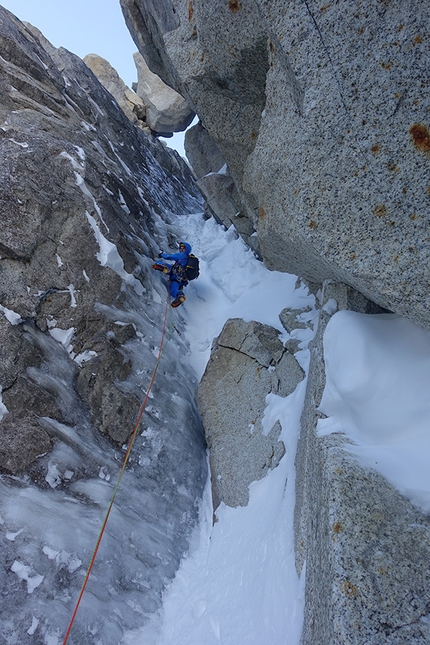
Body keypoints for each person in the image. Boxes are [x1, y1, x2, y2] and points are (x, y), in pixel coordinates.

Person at [152, 241, 191, 308]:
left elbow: (171, 256)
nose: (181, 249)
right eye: (180, 248)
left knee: (160, 262)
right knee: (173, 289)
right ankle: (180, 296)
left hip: (174, 272)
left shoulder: (183, 255)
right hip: (180, 279)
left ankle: (163, 268)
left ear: (186, 249)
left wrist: (162, 255)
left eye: (183, 248)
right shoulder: (187, 259)